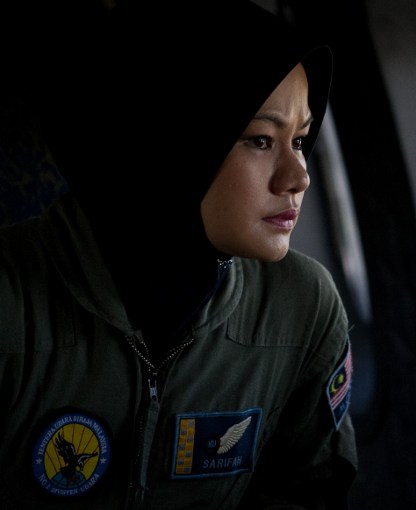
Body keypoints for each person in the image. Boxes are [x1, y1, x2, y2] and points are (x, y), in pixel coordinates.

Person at [0, 0, 357, 508]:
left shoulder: (302, 307)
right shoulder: (13, 300)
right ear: (169, 143)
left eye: (299, 140)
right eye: (259, 140)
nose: (298, 177)